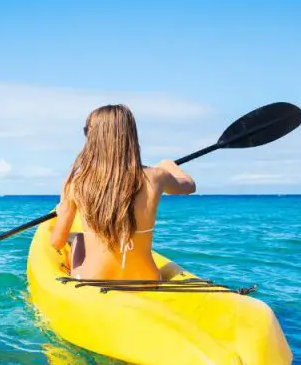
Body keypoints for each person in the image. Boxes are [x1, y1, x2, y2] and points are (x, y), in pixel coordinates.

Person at [49, 104, 196, 281]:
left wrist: (62, 212)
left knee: (79, 239)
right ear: (131, 136)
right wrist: (170, 166)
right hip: (148, 280)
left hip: (93, 280)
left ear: (93, 138)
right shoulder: (157, 176)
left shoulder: (75, 182)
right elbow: (189, 186)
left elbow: (56, 242)